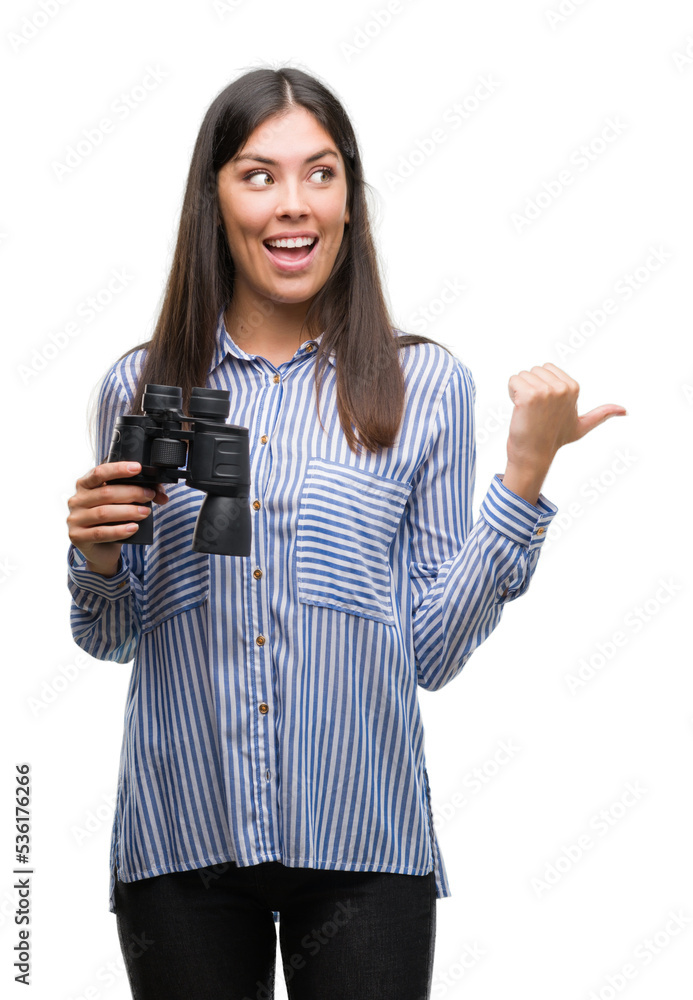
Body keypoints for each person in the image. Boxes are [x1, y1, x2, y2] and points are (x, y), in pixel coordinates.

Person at [65, 66, 626, 1000]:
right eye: (259, 174)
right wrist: (96, 559)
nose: (294, 205)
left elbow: (432, 653)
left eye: (320, 174)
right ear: (213, 199)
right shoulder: (140, 389)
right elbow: (109, 635)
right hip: (183, 839)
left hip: (365, 840)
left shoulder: (425, 387)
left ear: (351, 200)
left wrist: (522, 479)